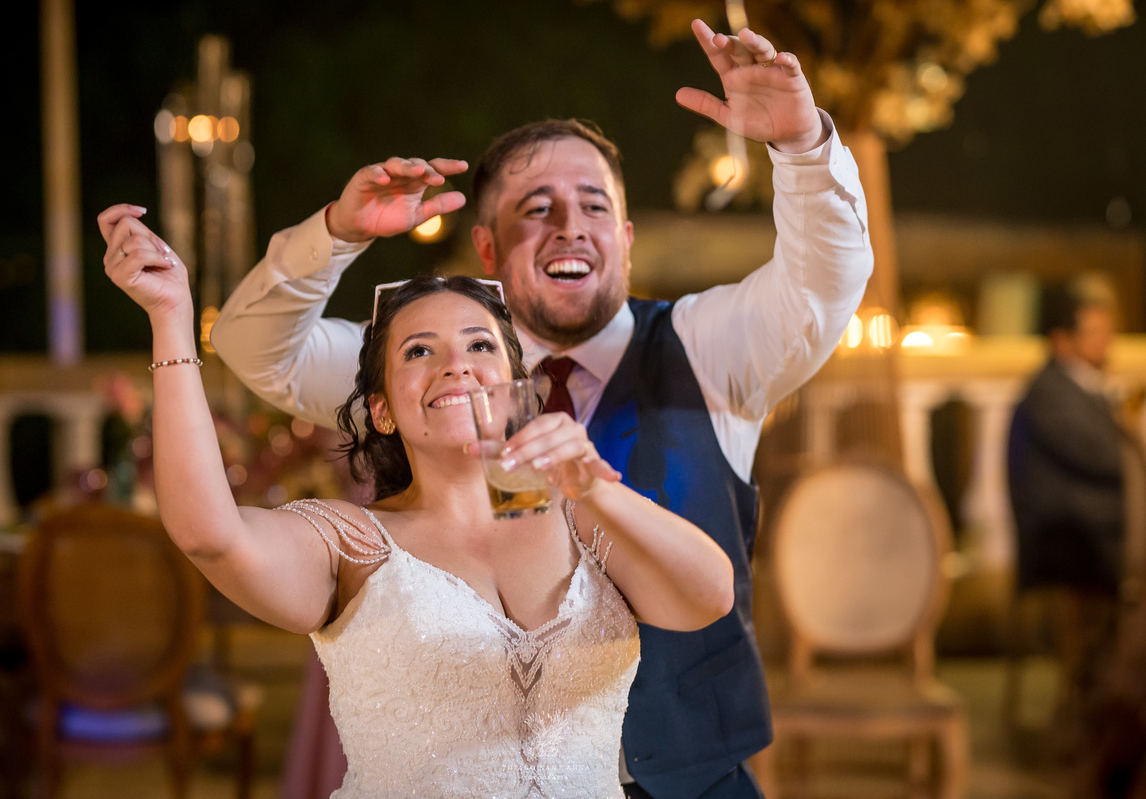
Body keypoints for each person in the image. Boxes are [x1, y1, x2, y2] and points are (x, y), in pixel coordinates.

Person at [209, 20, 872, 799]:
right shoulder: (432, 377)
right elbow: (255, 349)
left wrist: (801, 147)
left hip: (698, 781)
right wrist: (334, 234)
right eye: (537, 209)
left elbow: (823, 285)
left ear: (624, 237)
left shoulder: (710, 347)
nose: (571, 227)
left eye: (595, 206)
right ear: (487, 249)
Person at [96, 208, 737, 797]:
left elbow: (710, 596)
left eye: (479, 345)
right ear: (381, 411)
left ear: (520, 389)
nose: (455, 365)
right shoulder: (353, 542)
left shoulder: (587, 518)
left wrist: (598, 486)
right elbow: (209, 533)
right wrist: (171, 319)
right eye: (419, 351)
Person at [1007, 284, 1127, 749]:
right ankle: (1091, 719)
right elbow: (1106, 459)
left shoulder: (1081, 387)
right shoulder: (1051, 392)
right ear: (1062, 340)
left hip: (1085, 532)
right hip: (1063, 543)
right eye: (1093, 333)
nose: (1105, 343)